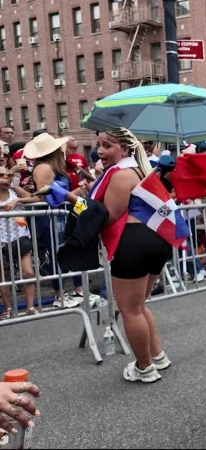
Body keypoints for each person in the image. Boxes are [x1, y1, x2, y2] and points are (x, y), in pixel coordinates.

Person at [94, 127, 173, 383]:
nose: (100, 151)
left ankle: (144, 367)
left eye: (107, 145)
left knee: (129, 309)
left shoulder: (121, 175)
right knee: (139, 306)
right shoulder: (142, 170)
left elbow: (109, 215)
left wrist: (74, 200)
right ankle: (157, 355)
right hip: (156, 240)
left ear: (125, 149)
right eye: (99, 145)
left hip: (134, 242)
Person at [17, 133, 91, 307]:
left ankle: (76, 290)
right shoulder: (43, 168)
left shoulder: (51, 167)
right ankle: (60, 294)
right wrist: (74, 196)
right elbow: (45, 195)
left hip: (60, 212)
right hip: (51, 215)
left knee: (67, 249)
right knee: (57, 252)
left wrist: (74, 195)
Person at [0, 166, 37, 319]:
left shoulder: (15, 190)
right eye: (1, 175)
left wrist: (17, 200)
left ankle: (30, 306)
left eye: (8, 175)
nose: (6, 178)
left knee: (28, 272)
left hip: (20, 236)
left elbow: (36, 198)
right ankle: (8, 308)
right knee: (3, 276)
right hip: (1, 240)